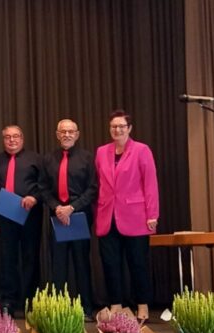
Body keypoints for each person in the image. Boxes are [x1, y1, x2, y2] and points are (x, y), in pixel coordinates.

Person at [95, 110, 159, 321]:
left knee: (138, 263)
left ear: (129, 128)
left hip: (135, 216)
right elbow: (100, 183)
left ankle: (142, 305)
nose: (117, 130)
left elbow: (150, 183)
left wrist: (152, 214)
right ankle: (116, 304)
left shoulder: (141, 150)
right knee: (110, 263)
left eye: (121, 126)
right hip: (107, 215)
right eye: (114, 126)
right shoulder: (101, 152)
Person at [40, 119, 97, 321]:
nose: (67, 135)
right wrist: (57, 207)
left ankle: (86, 308)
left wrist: (72, 208)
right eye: (63, 131)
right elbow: (43, 188)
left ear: (77, 134)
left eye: (70, 131)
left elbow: (93, 188)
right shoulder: (48, 159)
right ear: (57, 135)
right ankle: (59, 309)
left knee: (82, 264)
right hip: (57, 217)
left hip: (79, 215)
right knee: (58, 266)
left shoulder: (87, 158)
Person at [0, 125, 43, 317]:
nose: (12, 140)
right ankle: (8, 301)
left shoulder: (35, 159)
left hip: (30, 215)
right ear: (3, 139)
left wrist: (34, 197)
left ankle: (31, 302)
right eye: (8, 137)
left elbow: (44, 185)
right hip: (4, 216)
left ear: (22, 138)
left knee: (30, 258)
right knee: (7, 260)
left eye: (16, 136)